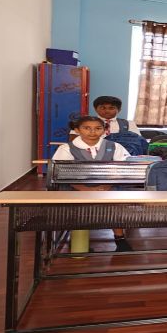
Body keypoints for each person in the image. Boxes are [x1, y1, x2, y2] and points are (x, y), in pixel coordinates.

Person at [53, 116, 132, 251]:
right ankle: (77, 238)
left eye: (98, 128)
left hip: (108, 186)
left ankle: (120, 239)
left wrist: (106, 186)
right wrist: (84, 189)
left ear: (104, 130)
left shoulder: (114, 146)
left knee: (116, 205)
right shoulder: (66, 148)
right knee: (79, 207)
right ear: (77, 130)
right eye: (87, 128)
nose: (92, 132)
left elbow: (123, 169)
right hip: (76, 187)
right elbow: (60, 173)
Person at [70, 96, 139, 139]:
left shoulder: (128, 124)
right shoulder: (83, 122)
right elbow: (73, 141)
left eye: (111, 108)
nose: (107, 111)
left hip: (121, 154)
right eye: (103, 108)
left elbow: (137, 141)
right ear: (95, 109)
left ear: (119, 110)